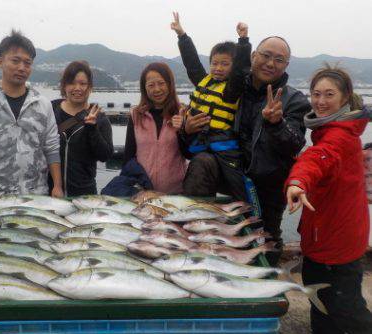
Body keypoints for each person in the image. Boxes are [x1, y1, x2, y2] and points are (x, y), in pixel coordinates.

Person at [184, 36, 311, 265]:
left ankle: (269, 290)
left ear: (286, 65)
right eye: (265, 56)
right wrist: (186, 129)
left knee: (266, 237)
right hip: (227, 173)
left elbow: (294, 143)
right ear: (253, 57)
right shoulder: (233, 90)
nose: (270, 63)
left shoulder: (294, 100)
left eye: (279, 59)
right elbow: (199, 140)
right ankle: (193, 236)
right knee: (202, 160)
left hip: (267, 184)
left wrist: (276, 123)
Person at [285, 65, 372, 334]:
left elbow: (319, 158)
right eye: (316, 94)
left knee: (347, 308)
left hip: (337, 241)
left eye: (329, 95)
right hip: (327, 234)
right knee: (319, 302)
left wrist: (298, 181)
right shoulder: (333, 129)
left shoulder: (339, 135)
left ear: (345, 98)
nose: (320, 102)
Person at [0, 30, 63, 210]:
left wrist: (57, 186)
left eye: (27, 63)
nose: (22, 67)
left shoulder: (43, 104)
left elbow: (51, 147)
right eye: (15, 60)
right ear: (0, 61)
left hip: (36, 198)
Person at [171, 12, 257, 208]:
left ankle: (249, 215)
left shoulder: (231, 90)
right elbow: (191, 63)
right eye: (214, 63)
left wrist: (243, 41)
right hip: (200, 144)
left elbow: (242, 70)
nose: (218, 68)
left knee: (239, 188)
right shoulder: (204, 81)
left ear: (233, 67)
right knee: (197, 171)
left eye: (225, 64)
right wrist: (182, 36)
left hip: (225, 149)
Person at [50, 60, 113, 196]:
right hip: (52, 191)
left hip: (85, 195)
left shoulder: (99, 118)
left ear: (90, 87)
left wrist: (92, 129)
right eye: (71, 83)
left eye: (83, 83)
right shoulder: (50, 110)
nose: (77, 88)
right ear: (64, 85)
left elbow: (105, 155)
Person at [124, 62, 187, 194]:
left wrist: (182, 130)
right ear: (144, 88)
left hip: (175, 195)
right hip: (143, 194)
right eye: (151, 85)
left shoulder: (182, 113)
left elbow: (189, 153)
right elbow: (128, 157)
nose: (157, 89)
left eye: (161, 83)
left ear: (170, 84)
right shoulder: (136, 115)